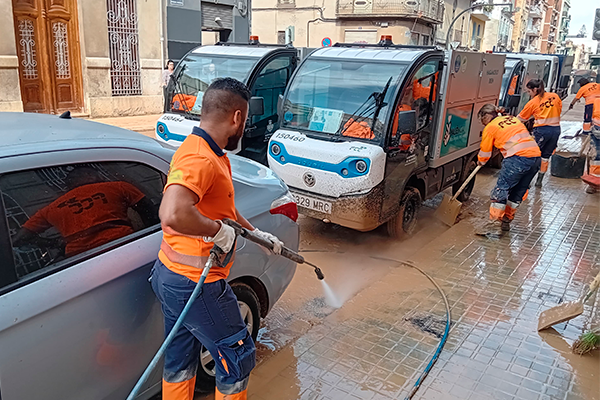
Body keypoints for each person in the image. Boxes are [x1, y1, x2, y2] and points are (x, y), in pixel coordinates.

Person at [151, 77, 284, 400]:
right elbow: (172, 213)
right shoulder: (201, 158)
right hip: (197, 283)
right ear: (237, 117)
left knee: (181, 357)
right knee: (237, 357)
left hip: (171, 275)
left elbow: (221, 207)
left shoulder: (206, 151)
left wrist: (255, 233)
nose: (244, 127)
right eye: (245, 120)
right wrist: (217, 231)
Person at [13, 166, 154, 258]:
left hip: (77, 259)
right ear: (91, 176)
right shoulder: (118, 187)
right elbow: (150, 212)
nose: (103, 178)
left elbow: (19, 239)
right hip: (124, 245)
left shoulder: (50, 209)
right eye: (99, 175)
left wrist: (55, 243)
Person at [477, 105, 541, 232]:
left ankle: (494, 224)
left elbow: (485, 152)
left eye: (481, 120)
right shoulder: (512, 119)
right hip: (535, 157)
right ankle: (506, 220)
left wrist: (481, 161)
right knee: (518, 190)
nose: (482, 124)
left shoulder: (490, 127)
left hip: (517, 158)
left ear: (486, 116)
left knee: (501, 188)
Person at [517, 79, 562, 187]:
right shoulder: (555, 96)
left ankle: (527, 182)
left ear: (535, 89)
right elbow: (558, 109)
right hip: (555, 130)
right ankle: (539, 181)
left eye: (529, 91)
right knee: (545, 157)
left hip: (542, 131)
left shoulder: (533, 102)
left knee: (533, 155)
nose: (529, 94)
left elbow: (521, 118)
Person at [584, 97, 600, 194]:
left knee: (596, 157)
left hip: (597, 132)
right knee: (596, 158)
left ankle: (593, 185)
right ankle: (593, 184)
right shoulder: (596, 101)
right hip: (597, 133)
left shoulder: (596, 101)